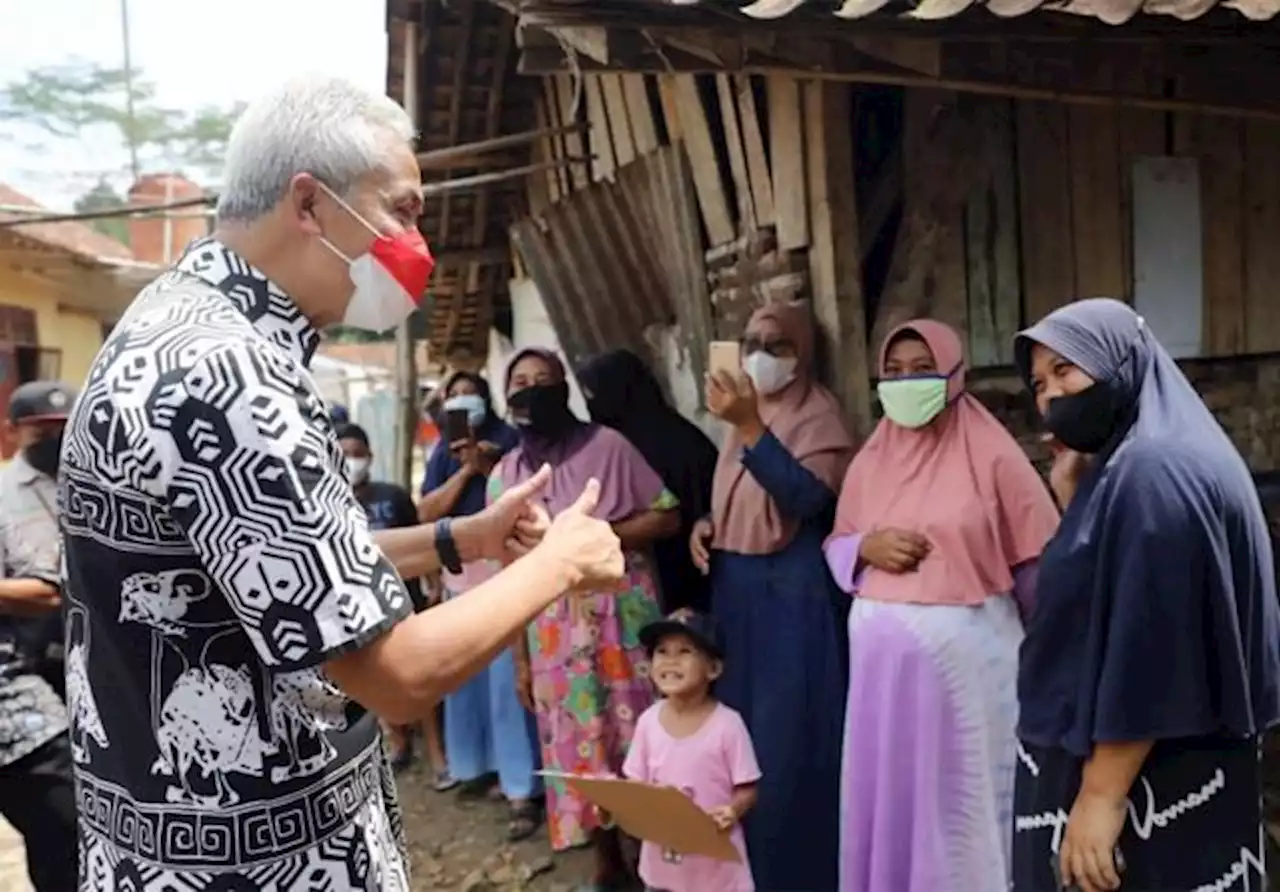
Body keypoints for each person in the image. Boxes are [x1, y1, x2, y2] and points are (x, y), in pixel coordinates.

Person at [56, 75, 628, 891]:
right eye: (402, 209)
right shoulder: (230, 377)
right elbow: (396, 676)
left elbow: (273, 565)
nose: (415, 242)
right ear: (309, 205)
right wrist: (560, 561)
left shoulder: (169, 324)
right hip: (262, 863)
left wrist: (459, 540)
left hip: (161, 850)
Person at [1011, 298, 1280, 892]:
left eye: (1066, 369)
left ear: (1120, 362)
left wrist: (1102, 797)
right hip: (1174, 777)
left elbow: (1150, 648)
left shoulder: (1151, 476)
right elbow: (1107, 596)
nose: (1051, 395)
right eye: (1039, 381)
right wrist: (1076, 504)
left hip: (1148, 794)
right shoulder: (1146, 462)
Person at [823, 320, 1059, 892]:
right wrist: (867, 547)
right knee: (897, 800)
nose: (907, 382)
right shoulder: (870, 461)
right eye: (895, 372)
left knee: (960, 809)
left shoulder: (995, 457)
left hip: (969, 678)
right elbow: (837, 544)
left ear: (956, 376)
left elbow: (1040, 568)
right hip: (883, 692)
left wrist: (1053, 662)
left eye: (922, 370)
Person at [491, 347, 680, 891]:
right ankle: (608, 860)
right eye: (520, 382)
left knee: (636, 735)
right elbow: (506, 576)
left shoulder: (609, 447)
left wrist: (600, 537)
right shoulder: (505, 477)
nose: (531, 390)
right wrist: (521, 663)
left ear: (563, 389)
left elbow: (666, 514)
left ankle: (653, 856)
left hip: (623, 619)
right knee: (580, 746)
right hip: (552, 634)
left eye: (544, 380)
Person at [691, 301, 856, 891]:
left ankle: (804, 876)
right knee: (741, 737)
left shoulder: (819, 417)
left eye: (777, 344)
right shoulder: (740, 417)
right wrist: (708, 525)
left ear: (804, 354)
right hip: (738, 590)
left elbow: (809, 501)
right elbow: (736, 496)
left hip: (793, 591)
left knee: (791, 740)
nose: (760, 354)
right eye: (751, 341)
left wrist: (752, 428)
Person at [419, 370, 543, 841]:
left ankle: (522, 790)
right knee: (467, 683)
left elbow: (523, 501)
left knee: (510, 688)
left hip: (504, 577)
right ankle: (484, 768)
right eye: (454, 395)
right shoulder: (443, 453)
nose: (464, 401)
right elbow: (427, 512)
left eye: (471, 393)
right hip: (460, 583)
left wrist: (488, 466)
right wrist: (466, 470)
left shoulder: (510, 442)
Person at [337, 422, 450, 782]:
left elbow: (421, 539)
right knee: (375, 680)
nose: (352, 461)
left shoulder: (393, 495)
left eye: (358, 453)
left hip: (403, 599)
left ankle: (436, 755)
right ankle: (399, 745)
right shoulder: (327, 504)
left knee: (420, 676)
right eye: (344, 454)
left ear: (370, 456)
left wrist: (433, 582)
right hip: (356, 606)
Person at [0, 380, 78, 891]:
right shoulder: (6, 496)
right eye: (42, 431)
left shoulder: (96, 479)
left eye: (64, 428)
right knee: (63, 830)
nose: (56, 438)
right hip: (33, 680)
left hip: (101, 663)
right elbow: (49, 593)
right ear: (15, 433)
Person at [622, 608, 760, 892]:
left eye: (685, 651)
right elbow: (635, 784)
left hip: (715, 866)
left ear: (713, 669)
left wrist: (733, 810)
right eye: (661, 651)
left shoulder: (728, 726)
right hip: (662, 864)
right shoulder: (648, 722)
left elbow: (748, 787)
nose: (671, 661)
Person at [578, 349, 719, 613]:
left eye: (594, 395)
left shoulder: (628, 448)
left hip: (681, 572)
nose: (591, 405)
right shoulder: (684, 434)